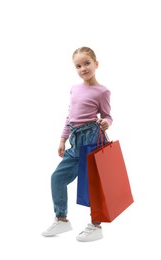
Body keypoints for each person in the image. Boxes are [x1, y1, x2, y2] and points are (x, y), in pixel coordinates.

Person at [42, 46, 113, 242]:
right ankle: (62, 219)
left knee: (92, 183)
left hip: (92, 138)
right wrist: (62, 139)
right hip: (75, 139)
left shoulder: (102, 91)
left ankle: (96, 225)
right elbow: (70, 116)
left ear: (96, 64)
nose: (83, 68)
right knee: (57, 177)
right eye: (78, 66)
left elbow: (107, 116)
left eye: (87, 63)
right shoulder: (74, 89)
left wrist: (106, 123)